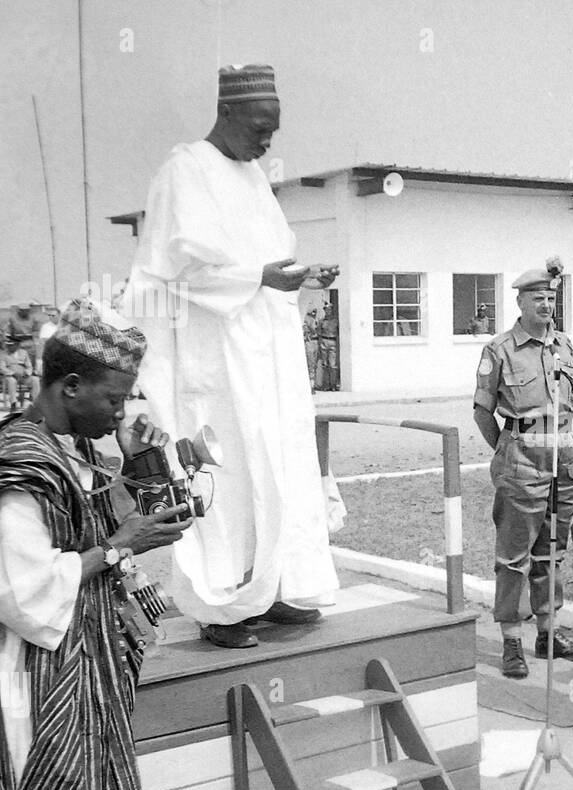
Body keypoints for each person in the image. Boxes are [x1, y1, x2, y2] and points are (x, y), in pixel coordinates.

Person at [0, 299, 192, 790]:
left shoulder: (70, 448)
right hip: (33, 683)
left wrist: (137, 463)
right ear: (71, 386)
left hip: (81, 669)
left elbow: (107, 526)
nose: (121, 411)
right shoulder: (19, 462)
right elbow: (17, 595)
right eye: (114, 398)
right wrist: (120, 545)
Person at [121, 64, 340, 649]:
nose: (269, 141)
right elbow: (176, 267)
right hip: (215, 364)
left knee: (280, 470)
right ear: (230, 113)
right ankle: (222, 611)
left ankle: (273, 592)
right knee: (227, 483)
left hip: (264, 357)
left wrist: (286, 275)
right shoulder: (184, 169)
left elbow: (268, 258)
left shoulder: (251, 178)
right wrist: (258, 274)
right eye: (262, 127)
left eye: (275, 130)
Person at [473, 264, 573, 678]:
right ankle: (511, 641)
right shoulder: (500, 349)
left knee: (552, 553)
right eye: (537, 298)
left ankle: (548, 634)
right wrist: (509, 450)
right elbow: (482, 411)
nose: (546, 304)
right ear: (520, 302)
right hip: (522, 461)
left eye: (551, 298)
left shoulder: (564, 345)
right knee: (513, 558)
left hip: (562, 463)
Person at [0, 337, 39, 410]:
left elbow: (29, 366)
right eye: (8, 345)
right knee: (12, 381)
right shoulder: (3, 353)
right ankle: (13, 403)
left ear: (17, 345)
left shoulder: (23, 352)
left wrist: (27, 373)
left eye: (11, 345)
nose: (9, 347)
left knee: (35, 379)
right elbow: (2, 368)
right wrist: (12, 373)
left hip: (23, 375)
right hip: (10, 375)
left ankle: (36, 403)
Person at [8, 303, 40, 369]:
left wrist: (35, 343)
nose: (27, 312)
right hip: (19, 344)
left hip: (30, 344)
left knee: (32, 364)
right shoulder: (13, 319)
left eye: (28, 310)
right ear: (20, 311)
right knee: (20, 365)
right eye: (25, 311)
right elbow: (9, 333)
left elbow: (36, 331)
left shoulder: (33, 318)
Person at [303, 306, 321, 391]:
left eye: (315, 311)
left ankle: (313, 384)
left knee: (314, 364)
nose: (314, 313)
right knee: (310, 364)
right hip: (309, 342)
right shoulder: (307, 320)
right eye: (312, 311)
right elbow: (309, 331)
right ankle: (310, 386)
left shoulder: (316, 320)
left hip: (316, 342)